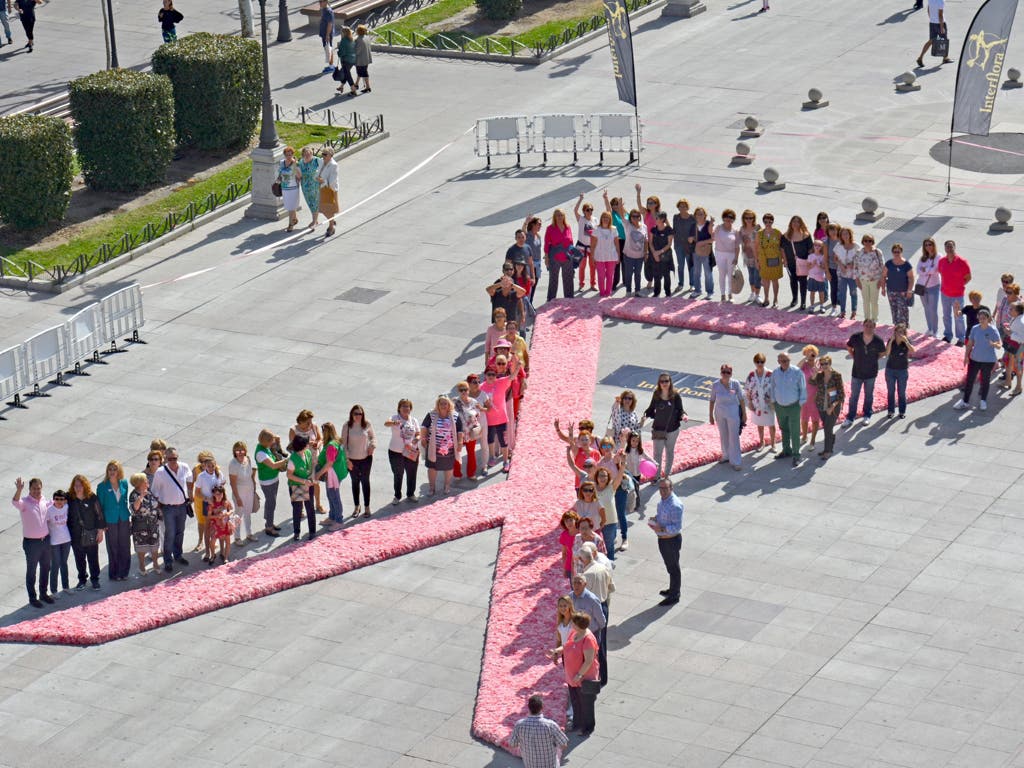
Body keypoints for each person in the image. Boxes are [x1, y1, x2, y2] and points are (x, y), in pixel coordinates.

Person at [150, 446, 192, 573]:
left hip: (182, 506)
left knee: (180, 532)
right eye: (170, 459)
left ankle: (178, 555)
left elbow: (190, 479)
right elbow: (154, 491)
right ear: (165, 459)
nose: (173, 461)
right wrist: (158, 508)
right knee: (170, 534)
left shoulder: (184, 467)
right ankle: (168, 560)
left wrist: (190, 492)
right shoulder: (160, 472)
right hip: (168, 508)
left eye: (175, 458)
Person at [12, 477, 52, 607]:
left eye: (38, 488)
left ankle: (43, 594)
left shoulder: (44, 500)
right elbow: (15, 502)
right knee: (32, 571)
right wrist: (18, 490)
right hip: (32, 543)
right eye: (34, 488)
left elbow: (55, 504)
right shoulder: (25, 502)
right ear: (29, 489)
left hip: (45, 540)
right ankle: (33, 598)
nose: (36, 491)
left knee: (46, 568)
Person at [560, 612, 600, 735]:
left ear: (579, 625)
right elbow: (567, 646)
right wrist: (556, 651)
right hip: (572, 677)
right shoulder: (575, 633)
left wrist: (579, 675)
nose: (571, 624)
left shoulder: (588, 639)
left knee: (586, 704)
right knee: (576, 701)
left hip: (584, 678)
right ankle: (577, 723)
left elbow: (588, 661)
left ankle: (587, 728)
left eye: (573, 622)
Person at [954, 308, 1002, 411]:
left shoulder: (993, 330)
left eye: (983, 318)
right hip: (974, 359)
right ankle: (965, 401)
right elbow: (970, 344)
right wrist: (966, 356)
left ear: (988, 318)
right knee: (969, 380)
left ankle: (983, 401)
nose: (981, 320)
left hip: (988, 361)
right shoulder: (975, 328)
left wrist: (994, 344)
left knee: (985, 381)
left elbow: (999, 345)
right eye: (980, 318)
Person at [641, 373, 686, 479]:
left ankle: (667, 474)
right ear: (659, 383)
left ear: (670, 382)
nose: (664, 383)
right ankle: (656, 476)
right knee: (657, 454)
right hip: (658, 429)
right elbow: (650, 409)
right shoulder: (656, 394)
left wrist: (684, 416)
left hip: (672, 429)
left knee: (669, 451)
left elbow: (681, 410)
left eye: (666, 381)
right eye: (662, 381)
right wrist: (645, 416)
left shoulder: (675, 395)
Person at [844, 320, 887, 427]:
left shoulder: (878, 341)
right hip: (857, 372)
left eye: (871, 326)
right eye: (866, 326)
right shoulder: (855, 337)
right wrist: (854, 356)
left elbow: (882, 353)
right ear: (863, 326)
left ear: (874, 327)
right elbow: (849, 347)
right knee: (854, 396)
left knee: (868, 396)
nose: (868, 328)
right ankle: (850, 417)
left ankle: (867, 415)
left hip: (871, 373)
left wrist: (873, 359)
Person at [507, 695, 568, 767]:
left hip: (530, 764)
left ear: (528, 708)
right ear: (542, 707)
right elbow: (563, 745)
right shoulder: (551, 725)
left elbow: (512, 744)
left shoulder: (519, 725)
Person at [420, 395, 464, 496]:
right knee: (432, 467)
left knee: (448, 467)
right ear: (438, 405)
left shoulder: (455, 415)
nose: (443, 405)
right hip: (433, 447)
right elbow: (424, 427)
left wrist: (460, 442)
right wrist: (423, 438)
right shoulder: (431, 415)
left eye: (445, 403)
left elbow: (460, 430)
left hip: (449, 448)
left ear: (449, 405)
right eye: (441, 403)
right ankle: (432, 488)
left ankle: (447, 486)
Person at [650, 478, 683, 605]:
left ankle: (675, 595)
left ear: (671, 488)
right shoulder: (663, 501)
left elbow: (676, 527)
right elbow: (663, 517)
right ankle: (673, 589)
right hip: (663, 539)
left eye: (665, 488)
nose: (662, 491)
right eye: (661, 488)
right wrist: (656, 519)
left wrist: (662, 528)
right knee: (670, 567)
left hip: (671, 540)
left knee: (674, 568)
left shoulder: (675, 505)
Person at [68, 474, 104, 589]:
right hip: (75, 535)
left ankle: (95, 579)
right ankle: (82, 579)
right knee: (79, 559)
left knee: (93, 557)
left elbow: (99, 515)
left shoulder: (92, 497)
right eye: (76, 485)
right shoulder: (69, 498)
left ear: (85, 486)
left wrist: (100, 531)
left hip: (90, 533)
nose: (78, 488)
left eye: (80, 485)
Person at [98, 460, 132, 582]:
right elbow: (99, 507)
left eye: (114, 469)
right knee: (113, 547)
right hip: (110, 520)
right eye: (110, 469)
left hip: (123, 518)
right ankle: (114, 573)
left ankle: (124, 572)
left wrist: (128, 517)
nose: (112, 472)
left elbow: (125, 501)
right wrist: (102, 525)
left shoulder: (124, 483)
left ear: (119, 471)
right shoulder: (102, 486)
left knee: (125, 545)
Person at [771, 352, 807, 466]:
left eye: (787, 360)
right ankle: (786, 450)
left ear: (790, 360)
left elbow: (803, 388)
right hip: (780, 406)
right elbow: (772, 387)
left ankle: (796, 455)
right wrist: (774, 402)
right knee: (784, 428)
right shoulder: (775, 373)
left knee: (795, 431)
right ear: (778, 362)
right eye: (782, 361)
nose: (785, 363)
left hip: (794, 406)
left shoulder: (797, 372)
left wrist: (800, 403)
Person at [709, 364, 745, 470]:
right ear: (720, 373)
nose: (725, 374)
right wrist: (710, 415)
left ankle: (736, 461)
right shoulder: (715, 385)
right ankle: (726, 455)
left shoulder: (735, 384)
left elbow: (741, 400)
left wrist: (744, 414)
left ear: (731, 374)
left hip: (733, 413)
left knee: (734, 436)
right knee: (723, 434)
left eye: (728, 372)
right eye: (723, 372)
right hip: (720, 413)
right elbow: (712, 400)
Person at [341, 404, 375, 518]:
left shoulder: (367, 424)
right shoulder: (347, 426)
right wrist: (347, 460)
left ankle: (367, 507)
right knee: (355, 482)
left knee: (365, 482)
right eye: (355, 414)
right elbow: (343, 445)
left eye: (360, 414)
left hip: (366, 459)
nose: (358, 416)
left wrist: (372, 445)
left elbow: (373, 437)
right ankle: (356, 506)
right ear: (351, 414)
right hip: (352, 460)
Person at [385, 399, 420, 504]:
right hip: (396, 452)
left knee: (412, 473)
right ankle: (397, 496)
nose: (406, 408)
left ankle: (410, 494)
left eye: (408, 406)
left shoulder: (413, 420)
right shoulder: (395, 418)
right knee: (398, 474)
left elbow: (418, 433)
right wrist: (394, 422)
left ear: (410, 409)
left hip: (411, 450)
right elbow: (386, 423)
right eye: (403, 406)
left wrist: (417, 438)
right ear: (399, 408)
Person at [810, 355, 845, 460]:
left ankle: (828, 450)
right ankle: (828, 446)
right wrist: (815, 373)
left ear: (830, 363)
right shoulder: (820, 375)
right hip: (821, 405)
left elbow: (841, 394)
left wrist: (832, 407)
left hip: (833, 407)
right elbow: (811, 382)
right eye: (822, 364)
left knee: (828, 428)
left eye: (826, 363)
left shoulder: (837, 375)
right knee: (826, 427)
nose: (824, 366)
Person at [481, 362, 514, 472]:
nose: (491, 377)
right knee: (490, 440)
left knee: (503, 441)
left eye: (493, 375)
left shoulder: (501, 382)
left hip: (501, 419)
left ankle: (505, 461)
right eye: (489, 374)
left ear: (496, 376)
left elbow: (512, 376)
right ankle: (492, 457)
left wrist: (518, 366)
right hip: (488, 420)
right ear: (485, 375)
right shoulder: (482, 387)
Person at [290, 410, 324, 514]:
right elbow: (293, 446)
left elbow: (320, 438)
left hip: (313, 459)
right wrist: (307, 443)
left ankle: (318, 504)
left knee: (315, 483)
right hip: (300, 461)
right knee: (301, 483)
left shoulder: (314, 426)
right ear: (300, 421)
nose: (309, 424)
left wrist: (318, 444)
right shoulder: (293, 430)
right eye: (307, 422)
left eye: (310, 422)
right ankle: (300, 509)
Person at [938, 240, 971, 345]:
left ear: (954, 247)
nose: (949, 248)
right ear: (945, 248)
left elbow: (968, 277)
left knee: (958, 317)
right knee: (946, 315)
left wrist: (959, 285)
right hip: (945, 294)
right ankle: (948, 335)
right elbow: (940, 272)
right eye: (947, 246)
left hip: (957, 295)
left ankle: (961, 338)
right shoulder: (942, 261)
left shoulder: (962, 262)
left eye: (951, 246)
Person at [128, 474, 163, 576]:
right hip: (140, 527)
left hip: (153, 525)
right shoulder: (134, 495)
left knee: (154, 546)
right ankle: (142, 566)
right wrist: (141, 497)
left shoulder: (150, 492)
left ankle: (156, 564)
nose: (148, 481)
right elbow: (134, 509)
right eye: (145, 480)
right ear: (139, 483)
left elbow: (155, 505)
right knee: (141, 547)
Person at [254, 430, 287, 536]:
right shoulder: (260, 453)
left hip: (273, 479)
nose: (273, 442)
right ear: (266, 441)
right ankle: (269, 527)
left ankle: (270, 522)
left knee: (271, 502)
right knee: (271, 503)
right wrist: (287, 460)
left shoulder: (264, 447)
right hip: (267, 482)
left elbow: (275, 437)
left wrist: (276, 438)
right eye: (271, 440)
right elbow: (273, 465)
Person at [316, 422, 348, 529]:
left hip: (333, 475)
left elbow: (329, 463)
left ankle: (339, 521)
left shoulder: (331, 445)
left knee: (334, 496)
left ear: (326, 432)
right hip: (335, 473)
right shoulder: (337, 441)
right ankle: (332, 516)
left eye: (323, 431)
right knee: (330, 495)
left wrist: (318, 474)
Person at [286, 435, 316, 541]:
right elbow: (289, 475)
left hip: (308, 485)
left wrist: (312, 477)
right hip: (296, 486)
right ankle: (296, 532)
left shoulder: (307, 452)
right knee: (297, 510)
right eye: (306, 444)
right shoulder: (292, 460)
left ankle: (312, 532)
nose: (308, 445)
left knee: (310, 509)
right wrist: (304, 481)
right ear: (301, 446)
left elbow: (311, 465)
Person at [228, 441, 258, 545]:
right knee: (238, 514)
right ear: (234, 452)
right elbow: (232, 483)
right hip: (239, 492)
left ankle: (249, 533)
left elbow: (251, 475)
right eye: (237, 450)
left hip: (249, 490)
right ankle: (237, 537)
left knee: (248, 512)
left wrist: (254, 487)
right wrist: (237, 498)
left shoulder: (248, 459)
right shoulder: (233, 464)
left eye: (242, 450)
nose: (240, 452)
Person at [745, 353, 777, 450]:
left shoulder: (770, 374)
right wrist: (749, 402)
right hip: (756, 404)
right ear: (755, 362)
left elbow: (776, 388)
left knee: (771, 424)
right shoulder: (751, 375)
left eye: (762, 362)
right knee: (760, 424)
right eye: (758, 362)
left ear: (764, 362)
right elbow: (747, 390)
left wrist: (774, 402)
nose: (760, 364)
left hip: (768, 404)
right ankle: (761, 442)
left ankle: (773, 444)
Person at [781, 216, 812, 310]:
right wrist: (785, 260)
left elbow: (810, 249)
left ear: (801, 223)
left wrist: (809, 262)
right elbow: (782, 249)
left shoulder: (806, 235)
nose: (795, 223)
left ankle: (803, 302)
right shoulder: (785, 236)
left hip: (803, 263)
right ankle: (795, 299)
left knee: (803, 283)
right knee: (793, 281)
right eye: (793, 221)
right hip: (791, 263)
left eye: (797, 222)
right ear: (790, 223)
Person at [885, 324, 915, 419]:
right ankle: (891, 411)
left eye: (901, 332)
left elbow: (913, 351)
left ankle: (902, 411)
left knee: (901, 392)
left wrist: (906, 341)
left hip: (902, 370)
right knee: (891, 391)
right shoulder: (891, 341)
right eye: (897, 332)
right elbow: (887, 353)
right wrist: (891, 342)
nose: (899, 334)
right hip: (890, 370)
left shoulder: (906, 341)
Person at [544, 209, 574, 300]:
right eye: (557, 215)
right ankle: (551, 299)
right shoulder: (550, 228)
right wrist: (546, 257)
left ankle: (569, 298)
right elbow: (546, 243)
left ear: (564, 216)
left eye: (561, 215)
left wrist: (573, 256)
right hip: (554, 255)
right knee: (553, 279)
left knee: (568, 278)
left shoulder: (568, 227)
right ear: (554, 217)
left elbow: (571, 241)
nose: (559, 217)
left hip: (567, 255)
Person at [854, 234, 885, 323]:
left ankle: (875, 319)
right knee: (865, 301)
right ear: (863, 242)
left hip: (875, 280)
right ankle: (867, 319)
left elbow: (883, 267)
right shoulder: (858, 252)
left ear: (873, 242)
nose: (868, 243)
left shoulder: (877, 252)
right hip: (862, 280)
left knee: (874, 301)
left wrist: (881, 280)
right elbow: (855, 266)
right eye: (866, 241)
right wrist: (857, 280)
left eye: (870, 241)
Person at [884, 243, 916, 327]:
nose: (896, 253)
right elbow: (883, 276)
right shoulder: (889, 263)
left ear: (901, 252)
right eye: (895, 252)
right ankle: (896, 326)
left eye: (898, 252)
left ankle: (904, 326)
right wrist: (883, 288)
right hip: (891, 291)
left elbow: (911, 278)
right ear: (892, 252)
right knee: (894, 309)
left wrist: (909, 290)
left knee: (902, 310)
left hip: (903, 292)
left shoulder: (906, 265)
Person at [711, 209, 739, 302]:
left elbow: (737, 246)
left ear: (733, 219)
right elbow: (712, 237)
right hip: (720, 253)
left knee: (730, 275)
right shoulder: (718, 228)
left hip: (731, 255)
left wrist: (736, 258)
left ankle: (730, 294)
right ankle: (723, 295)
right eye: (726, 217)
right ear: (723, 218)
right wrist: (711, 224)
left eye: (731, 217)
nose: (728, 219)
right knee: (722, 274)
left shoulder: (735, 231)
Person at [46, 489, 71, 596]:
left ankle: (66, 587)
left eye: (61, 499)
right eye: (56, 499)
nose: (59, 501)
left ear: (64, 500)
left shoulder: (66, 507)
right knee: (55, 565)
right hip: (54, 542)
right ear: (53, 500)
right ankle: (54, 590)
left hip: (66, 540)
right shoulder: (49, 510)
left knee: (64, 563)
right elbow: (44, 524)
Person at [589, 211, 620, 297]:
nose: (605, 219)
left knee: (610, 276)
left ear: (610, 219)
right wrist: (592, 256)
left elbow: (617, 243)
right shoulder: (596, 229)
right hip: (599, 256)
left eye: (607, 217)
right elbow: (593, 244)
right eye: (604, 217)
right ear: (601, 218)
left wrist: (618, 256)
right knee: (601, 276)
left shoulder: (614, 229)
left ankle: (608, 293)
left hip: (612, 256)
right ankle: (602, 293)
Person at [756, 212, 782, 307]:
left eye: (770, 221)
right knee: (765, 280)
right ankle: (766, 298)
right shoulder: (759, 233)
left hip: (775, 258)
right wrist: (756, 261)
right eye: (766, 221)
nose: (768, 223)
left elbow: (781, 247)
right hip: (763, 259)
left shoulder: (777, 232)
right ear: (763, 222)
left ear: (772, 221)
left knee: (775, 280)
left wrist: (784, 259)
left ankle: (775, 300)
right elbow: (756, 247)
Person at [833, 227, 859, 320]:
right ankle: (842, 311)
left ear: (850, 234)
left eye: (847, 234)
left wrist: (852, 264)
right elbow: (835, 258)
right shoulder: (838, 246)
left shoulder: (856, 246)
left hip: (853, 275)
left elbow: (860, 258)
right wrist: (841, 265)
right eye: (843, 234)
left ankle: (854, 312)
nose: (845, 236)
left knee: (853, 293)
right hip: (842, 274)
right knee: (842, 293)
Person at [917, 238, 942, 336]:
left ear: (933, 245)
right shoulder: (923, 258)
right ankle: (930, 328)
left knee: (933, 309)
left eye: (930, 244)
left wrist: (925, 269)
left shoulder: (938, 256)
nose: (928, 247)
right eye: (926, 245)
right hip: (922, 286)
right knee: (926, 308)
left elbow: (934, 270)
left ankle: (935, 331)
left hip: (933, 286)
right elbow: (918, 270)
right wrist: (928, 269)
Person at [621, 208, 648, 297]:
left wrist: (646, 252)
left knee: (638, 274)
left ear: (640, 217)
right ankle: (628, 290)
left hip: (639, 256)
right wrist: (621, 206)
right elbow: (621, 215)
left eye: (637, 216)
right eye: (633, 216)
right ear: (630, 218)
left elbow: (646, 240)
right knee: (628, 274)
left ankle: (637, 290)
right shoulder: (627, 225)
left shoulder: (644, 227)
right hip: (628, 256)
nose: (635, 218)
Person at [917, 0, 952, 67]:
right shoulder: (941, 1)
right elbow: (940, 15)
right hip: (940, 24)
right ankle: (945, 58)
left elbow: (928, 9)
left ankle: (920, 57)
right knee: (944, 41)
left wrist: (931, 18)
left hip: (932, 23)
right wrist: (942, 27)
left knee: (931, 41)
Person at [574, 194, 597, 292]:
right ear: (584, 211)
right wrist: (580, 199)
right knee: (582, 266)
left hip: (591, 247)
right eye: (587, 210)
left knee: (593, 266)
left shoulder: (595, 220)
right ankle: (581, 284)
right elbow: (575, 210)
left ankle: (593, 284)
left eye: (591, 209)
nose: (590, 211)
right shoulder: (581, 219)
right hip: (582, 246)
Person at [799, 346, 821, 449]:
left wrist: (817, 371)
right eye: (809, 353)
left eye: (813, 354)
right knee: (804, 419)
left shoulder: (819, 364)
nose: (811, 356)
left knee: (815, 420)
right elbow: (796, 369)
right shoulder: (804, 365)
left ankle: (812, 440)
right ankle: (804, 437)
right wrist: (805, 358)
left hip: (815, 397)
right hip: (804, 397)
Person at [672, 199, 697, 293]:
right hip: (678, 245)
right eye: (680, 206)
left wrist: (693, 238)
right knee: (680, 266)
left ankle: (692, 285)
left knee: (691, 266)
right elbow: (674, 230)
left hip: (689, 246)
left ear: (687, 207)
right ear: (678, 207)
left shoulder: (692, 218)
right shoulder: (676, 217)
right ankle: (680, 284)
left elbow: (696, 231)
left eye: (684, 206)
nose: (682, 208)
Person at [648, 212, 674, 297]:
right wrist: (654, 253)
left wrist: (660, 252)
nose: (655, 220)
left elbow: (669, 244)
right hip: (654, 255)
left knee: (666, 274)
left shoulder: (669, 230)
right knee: (656, 275)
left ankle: (667, 293)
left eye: (657, 218)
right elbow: (650, 242)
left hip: (665, 256)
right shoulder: (653, 229)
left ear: (662, 219)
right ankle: (656, 293)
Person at [206, 485, 234, 562]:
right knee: (212, 541)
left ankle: (226, 557)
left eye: (220, 494)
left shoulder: (226, 502)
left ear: (223, 494)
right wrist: (216, 516)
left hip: (225, 524)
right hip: (215, 525)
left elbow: (231, 510)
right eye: (217, 494)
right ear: (214, 495)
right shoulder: (212, 504)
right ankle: (212, 555)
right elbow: (208, 516)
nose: (219, 496)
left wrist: (228, 514)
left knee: (227, 541)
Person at [691, 207, 715, 299]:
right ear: (695, 216)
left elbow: (713, 239)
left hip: (706, 252)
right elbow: (690, 239)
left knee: (708, 273)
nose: (699, 216)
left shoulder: (709, 224)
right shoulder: (693, 225)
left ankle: (710, 292)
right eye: (697, 214)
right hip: (696, 252)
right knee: (696, 272)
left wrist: (701, 242)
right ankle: (697, 290)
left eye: (701, 214)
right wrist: (690, 239)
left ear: (705, 215)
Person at [277, 146, 302, 232]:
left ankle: (290, 225)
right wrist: (278, 180)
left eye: (290, 155)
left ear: (293, 154)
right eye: (287, 155)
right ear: (284, 155)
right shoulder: (281, 162)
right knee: (289, 205)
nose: (289, 156)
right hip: (284, 188)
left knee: (291, 206)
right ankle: (294, 219)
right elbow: (280, 173)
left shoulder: (296, 164)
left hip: (293, 188)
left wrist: (295, 167)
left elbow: (300, 176)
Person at [739, 209, 762, 304]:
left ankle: (757, 295)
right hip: (747, 256)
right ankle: (752, 293)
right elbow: (740, 241)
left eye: (751, 218)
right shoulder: (742, 229)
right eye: (747, 218)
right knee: (751, 276)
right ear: (743, 218)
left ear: (754, 218)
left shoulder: (757, 228)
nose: (749, 219)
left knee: (757, 276)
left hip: (757, 256)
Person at [317, 146, 340, 237]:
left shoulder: (334, 165)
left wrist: (322, 181)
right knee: (322, 209)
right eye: (322, 154)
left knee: (328, 208)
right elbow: (319, 171)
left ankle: (331, 227)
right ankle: (332, 220)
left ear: (331, 155)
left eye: (325, 154)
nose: (323, 156)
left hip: (329, 189)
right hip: (321, 188)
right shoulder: (322, 162)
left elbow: (333, 180)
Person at [523, 215, 544, 302]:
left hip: (537, 264)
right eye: (538, 224)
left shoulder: (538, 236)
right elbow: (523, 231)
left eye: (540, 224)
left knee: (534, 285)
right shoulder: (528, 235)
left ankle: (530, 303)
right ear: (533, 225)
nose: (540, 226)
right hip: (529, 265)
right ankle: (526, 304)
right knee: (528, 286)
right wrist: (526, 222)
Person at [805, 240, 828, 313]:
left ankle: (822, 306)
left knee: (821, 293)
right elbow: (808, 267)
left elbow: (824, 267)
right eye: (816, 245)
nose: (817, 247)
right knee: (812, 292)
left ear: (822, 247)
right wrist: (812, 264)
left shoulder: (823, 256)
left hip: (821, 277)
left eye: (819, 245)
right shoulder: (810, 256)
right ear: (813, 246)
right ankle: (812, 306)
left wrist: (819, 265)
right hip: (812, 277)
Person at [335, 26, 357, 96]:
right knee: (346, 73)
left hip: (346, 60)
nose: (340, 33)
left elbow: (342, 53)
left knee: (347, 75)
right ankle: (341, 87)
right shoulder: (351, 39)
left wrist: (338, 52)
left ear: (344, 33)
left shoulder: (344, 41)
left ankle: (353, 90)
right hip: (352, 60)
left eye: (341, 32)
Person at [353, 24, 372, 92]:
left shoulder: (358, 40)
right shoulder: (366, 37)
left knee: (363, 72)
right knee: (362, 72)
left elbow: (357, 51)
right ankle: (356, 84)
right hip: (366, 58)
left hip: (360, 60)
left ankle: (368, 87)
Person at [318, 0, 335, 74]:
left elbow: (330, 24)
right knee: (328, 49)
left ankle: (331, 67)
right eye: (319, 1)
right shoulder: (324, 9)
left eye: (321, 1)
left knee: (329, 49)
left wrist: (327, 35)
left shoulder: (328, 11)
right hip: (325, 33)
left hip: (327, 34)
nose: (320, 3)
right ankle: (331, 65)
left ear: (325, 2)